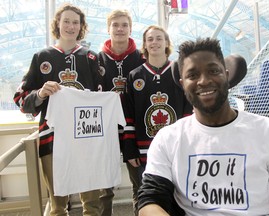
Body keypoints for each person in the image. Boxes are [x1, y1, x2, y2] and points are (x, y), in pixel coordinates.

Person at [137, 38, 269, 215]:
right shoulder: (168, 138)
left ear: (226, 74)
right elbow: (150, 200)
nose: (204, 81)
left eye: (213, 71)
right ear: (182, 84)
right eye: (192, 75)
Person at [13, 3, 105, 216]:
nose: (71, 26)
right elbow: (21, 98)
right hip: (51, 139)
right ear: (57, 24)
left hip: (86, 139)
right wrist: (40, 94)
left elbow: (103, 96)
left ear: (81, 26)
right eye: (66, 21)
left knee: (91, 205)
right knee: (57, 207)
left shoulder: (92, 57)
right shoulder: (41, 57)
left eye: (75, 22)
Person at [122, 25, 192, 214]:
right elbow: (128, 114)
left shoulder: (180, 72)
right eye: (150, 39)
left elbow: (188, 108)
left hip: (177, 145)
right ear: (144, 44)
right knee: (144, 193)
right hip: (144, 148)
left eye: (159, 38)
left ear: (167, 43)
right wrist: (129, 146)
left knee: (180, 192)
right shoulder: (135, 76)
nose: (154, 42)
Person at [98, 9, 145, 215]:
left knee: (141, 184)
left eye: (124, 25)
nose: (120, 29)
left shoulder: (142, 58)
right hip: (105, 129)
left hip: (133, 129)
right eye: (115, 25)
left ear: (130, 29)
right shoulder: (95, 59)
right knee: (103, 188)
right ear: (108, 29)